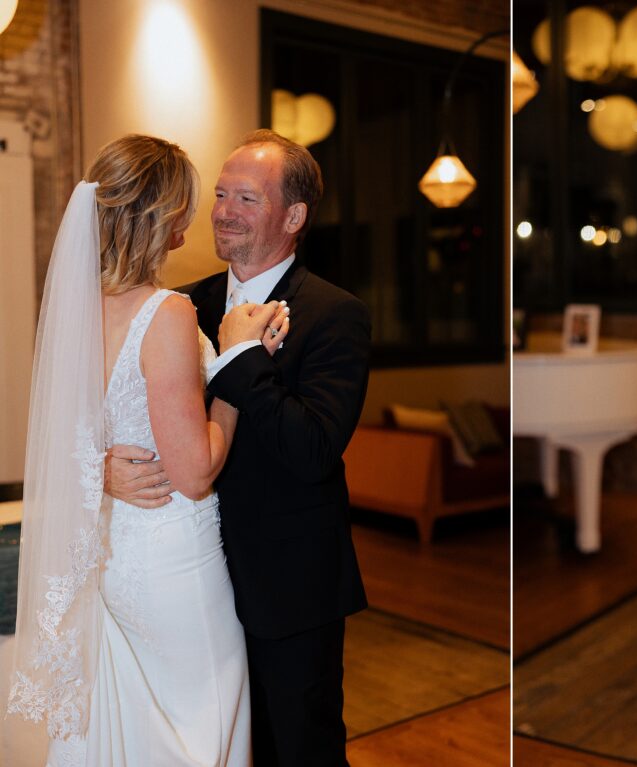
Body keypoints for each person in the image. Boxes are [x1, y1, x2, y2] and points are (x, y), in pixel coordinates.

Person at [6, 134, 286, 765]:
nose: (191, 227)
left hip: (114, 557)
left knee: (139, 725)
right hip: (173, 560)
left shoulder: (79, 308)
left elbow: (70, 436)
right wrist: (237, 360)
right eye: (186, 208)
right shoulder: (167, 313)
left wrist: (101, 471)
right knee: (204, 724)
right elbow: (195, 471)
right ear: (160, 215)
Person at [106, 129, 371, 766]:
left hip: (288, 587)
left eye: (247, 199)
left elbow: (313, 451)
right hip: (185, 581)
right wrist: (103, 470)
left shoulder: (335, 314)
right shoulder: (179, 304)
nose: (224, 211)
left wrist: (242, 357)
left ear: (294, 217)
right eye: (221, 194)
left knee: (298, 750)